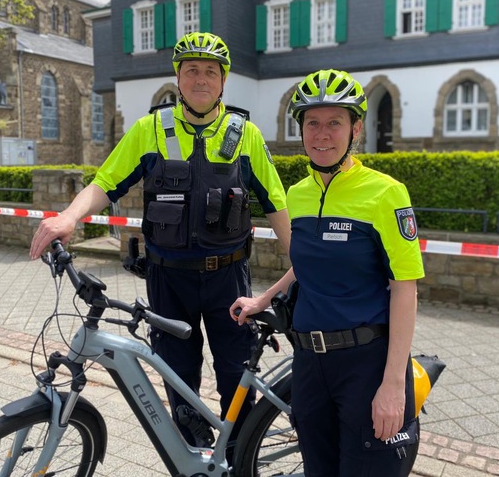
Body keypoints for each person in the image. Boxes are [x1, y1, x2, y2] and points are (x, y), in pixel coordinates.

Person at [30, 31, 291, 448]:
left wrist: (305, 268)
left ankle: (240, 455)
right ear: (178, 77)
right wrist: (68, 216)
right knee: (176, 376)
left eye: (211, 71)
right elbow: (105, 183)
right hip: (169, 280)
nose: (201, 79)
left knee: (236, 374)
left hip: (228, 280)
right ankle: (194, 454)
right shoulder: (149, 129)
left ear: (223, 80)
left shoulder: (247, 135)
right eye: (192, 71)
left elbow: (277, 205)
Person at [230, 69, 424, 476]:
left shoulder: (386, 193)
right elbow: (307, 263)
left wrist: (392, 386)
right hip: (309, 366)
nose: (322, 134)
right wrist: (264, 298)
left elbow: (404, 289)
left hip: (366, 364)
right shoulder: (297, 194)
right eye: (312, 123)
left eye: (334, 122)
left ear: (355, 129)